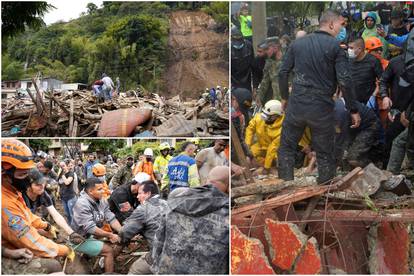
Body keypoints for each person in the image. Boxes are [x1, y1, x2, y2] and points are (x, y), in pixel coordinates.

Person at [278, 10, 360, 184]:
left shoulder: (297, 44)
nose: (341, 29)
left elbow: (283, 72)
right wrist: (353, 109)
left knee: (286, 148)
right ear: (331, 24)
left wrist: (284, 98)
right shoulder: (336, 48)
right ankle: (325, 191)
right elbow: (344, 81)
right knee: (325, 152)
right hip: (321, 107)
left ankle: (283, 189)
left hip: (297, 103)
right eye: (341, 24)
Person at [1, 140, 75, 262]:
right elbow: (32, 241)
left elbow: (28, 215)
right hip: (7, 249)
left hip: (18, 233)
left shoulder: (14, 191)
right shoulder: (5, 203)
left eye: (27, 173)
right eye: (22, 175)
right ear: (4, 175)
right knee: (53, 265)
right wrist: (64, 250)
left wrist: (47, 225)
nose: (26, 180)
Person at [152, 166, 229, 274]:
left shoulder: (176, 200)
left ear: (207, 180)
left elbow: (158, 240)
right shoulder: (228, 213)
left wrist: (157, 269)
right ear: (228, 187)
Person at [71, 177, 122, 273]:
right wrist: (110, 235)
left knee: (108, 240)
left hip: (91, 235)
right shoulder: (82, 204)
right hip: (79, 239)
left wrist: (122, 231)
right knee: (109, 251)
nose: (103, 191)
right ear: (90, 191)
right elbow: (90, 228)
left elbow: (111, 217)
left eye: (102, 188)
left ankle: (89, 258)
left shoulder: (102, 200)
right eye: (99, 189)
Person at [245, 100, 310, 174]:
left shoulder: (283, 129)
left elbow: (272, 148)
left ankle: (275, 170)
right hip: (260, 146)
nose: (265, 117)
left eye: (268, 115)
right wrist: (247, 144)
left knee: (278, 163)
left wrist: (267, 167)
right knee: (248, 156)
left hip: (276, 151)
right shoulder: (259, 118)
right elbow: (250, 129)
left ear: (276, 115)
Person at [118, 180, 168, 274]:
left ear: (148, 194)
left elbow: (125, 232)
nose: (137, 197)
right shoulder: (167, 203)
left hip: (162, 255)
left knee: (136, 269)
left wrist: (120, 239)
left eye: (139, 193)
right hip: (179, 251)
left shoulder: (143, 208)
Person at [23, 169, 83, 240]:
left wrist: (71, 232)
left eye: (42, 183)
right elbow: (26, 225)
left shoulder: (43, 195)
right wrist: (47, 233)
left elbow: (56, 215)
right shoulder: (21, 198)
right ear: (28, 186)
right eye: (37, 185)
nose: (42, 186)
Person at [334, 97, 383, 168]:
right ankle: (348, 171)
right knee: (343, 155)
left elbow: (340, 139)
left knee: (353, 157)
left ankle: (375, 167)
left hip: (369, 125)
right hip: (353, 127)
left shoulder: (339, 113)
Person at [348, 38, 383, 104]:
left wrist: (373, 96)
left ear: (360, 49)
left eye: (351, 48)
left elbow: (382, 81)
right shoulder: (348, 60)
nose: (349, 50)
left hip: (367, 102)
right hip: (350, 102)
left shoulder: (374, 61)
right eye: (349, 47)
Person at [257, 37, 283, 106]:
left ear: (276, 48)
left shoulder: (288, 59)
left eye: (267, 49)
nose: (266, 52)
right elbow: (265, 81)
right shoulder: (269, 62)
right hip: (276, 102)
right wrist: (259, 96)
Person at [231, 26, 254, 92]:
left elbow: (253, 65)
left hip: (247, 79)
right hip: (234, 81)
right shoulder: (229, 48)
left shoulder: (249, 46)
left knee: (246, 99)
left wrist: (255, 86)